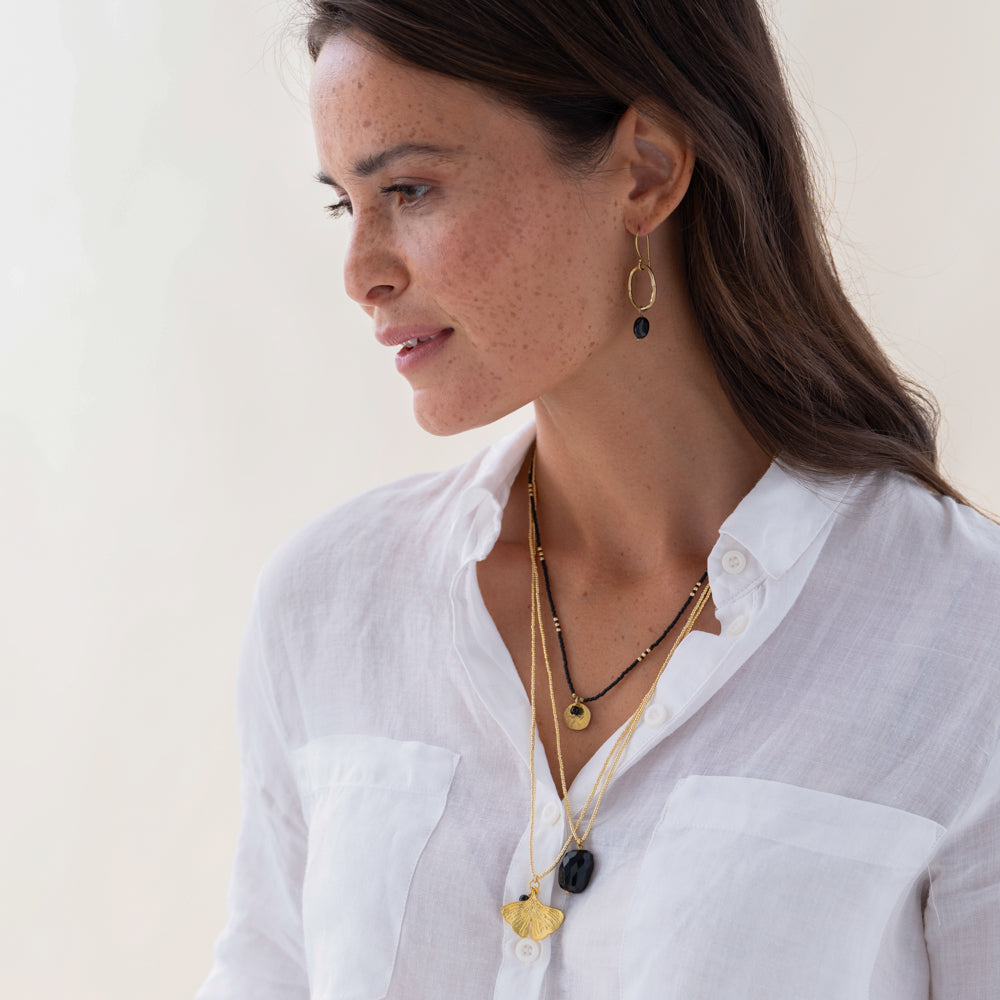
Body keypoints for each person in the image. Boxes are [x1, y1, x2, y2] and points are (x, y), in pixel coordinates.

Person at [195, 1, 1000, 997]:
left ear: (646, 172)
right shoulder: (330, 604)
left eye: (410, 189)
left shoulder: (964, 640)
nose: (362, 273)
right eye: (343, 205)